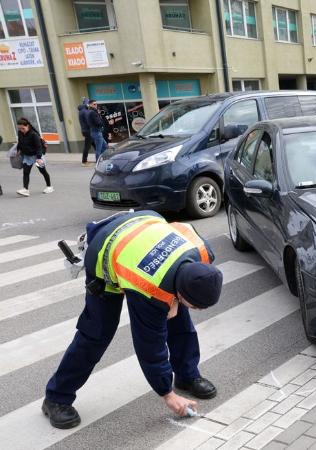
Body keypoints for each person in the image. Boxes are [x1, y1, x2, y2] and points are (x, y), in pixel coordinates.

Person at [42, 211, 224, 429]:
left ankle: (187, 376)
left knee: (179, 321)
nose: (198, 310)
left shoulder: (202, 252)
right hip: (107, 255)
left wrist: (175, 303)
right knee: (97, 333)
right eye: (196, 305)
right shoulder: (148, 286)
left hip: (143, 227)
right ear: (181, 292)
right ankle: (56, 397)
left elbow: (179, 290)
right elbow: (150, 345)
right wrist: (167, 394)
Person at [15, 117, 52, 197]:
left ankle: (49, 187)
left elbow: (39, 147)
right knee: (25, 172)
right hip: (27, 156)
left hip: (37, 155)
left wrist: (39, 158)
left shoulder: (33, 134)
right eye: (19, 128)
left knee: (43, 171)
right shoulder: (20, 133)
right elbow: (20, 142)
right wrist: (18, 150)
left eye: (23, 128)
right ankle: (25, 189)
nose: (21, 130)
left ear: (27, 126)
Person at [78, 98, 93, 166]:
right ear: (86, 104)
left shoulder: (82, 111)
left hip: (86, 130)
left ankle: (100, 158)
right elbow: (88, 121)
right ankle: (84, 161)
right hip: (88, 130)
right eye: (89, 103)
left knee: (95, 144)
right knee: (87, 146)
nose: (90, 105)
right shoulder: (85, 111)